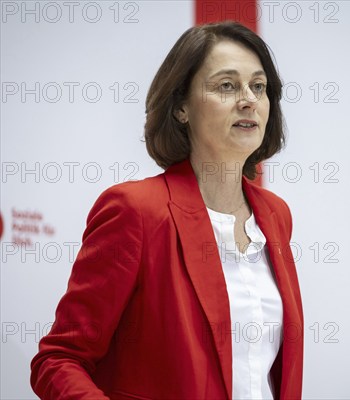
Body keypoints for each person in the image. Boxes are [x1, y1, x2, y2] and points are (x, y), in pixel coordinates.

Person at [30, 21, 303, 400]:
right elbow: (59, 360)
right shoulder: (137, 211)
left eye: (258, 86)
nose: (248, 99)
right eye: (226, 85)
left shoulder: (275, 215)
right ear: (181, 108)